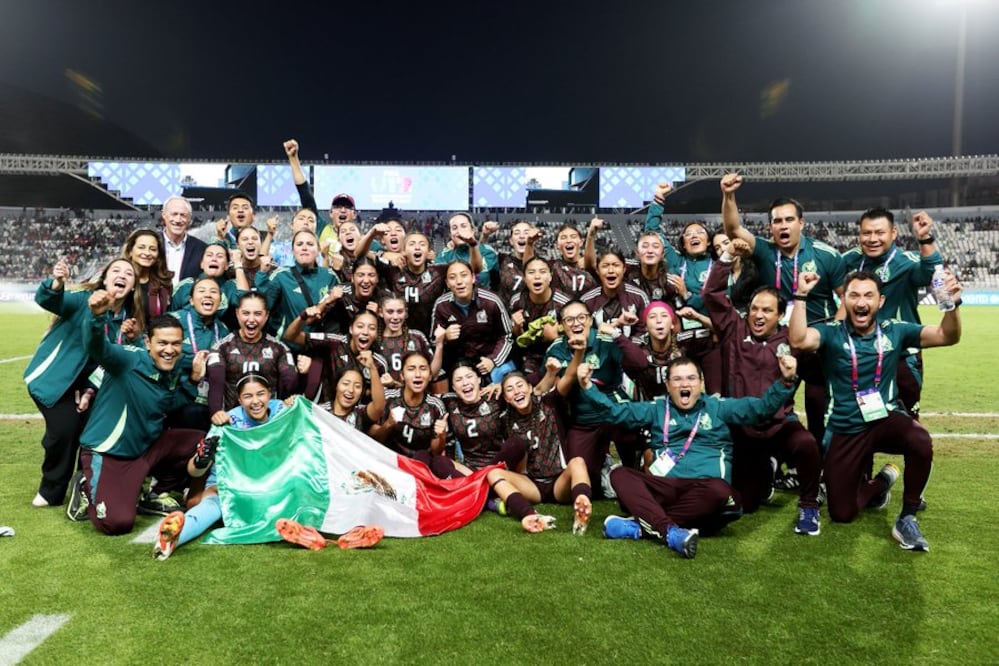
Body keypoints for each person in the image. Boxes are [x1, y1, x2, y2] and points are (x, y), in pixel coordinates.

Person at [788, 269, 962, 551]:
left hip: (884, 418)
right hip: (845, 426)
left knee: (919, 439)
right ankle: (881, 482)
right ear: (844, 300)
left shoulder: (895, 330)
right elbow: (798, 340)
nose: (861, 302)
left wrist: (951, 305)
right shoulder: (831, 333)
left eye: (868, 295)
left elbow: (946, 335)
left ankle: (907, 516)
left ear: (880, 301)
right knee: (842, 514)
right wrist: (800, 295)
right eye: (853, 295)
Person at [582, 355, 800, 559]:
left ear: (701, 383)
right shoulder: (657, 408)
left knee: (721, 491)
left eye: (690, 378)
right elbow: (616, 413)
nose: (684, 384)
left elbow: (760, 409)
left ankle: (641, 525)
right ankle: (670, 531)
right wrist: (588, 387)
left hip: (706, 493)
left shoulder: (719, 407)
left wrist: (786, 380)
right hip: (666, 488)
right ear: (667, 386)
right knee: (619, 474)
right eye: (677, 379)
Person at [704, 239, 822, 534]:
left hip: (779, 424)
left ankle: (809, 505)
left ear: (780, 315)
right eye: (755, 309)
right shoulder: (734, 328)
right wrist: (727, 256)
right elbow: (712, 292)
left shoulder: (791, 341)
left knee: (807, 445)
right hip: (742, 428)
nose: (758, 315)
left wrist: (803, 295)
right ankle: (766, 472)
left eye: (767, 311)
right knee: (748, 503)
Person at [721, 173, 846, 445]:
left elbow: (845, 298)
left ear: (801, 223)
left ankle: (816, 462)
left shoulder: (826, 255)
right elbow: (733, 230)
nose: (783, 225)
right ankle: (777, 464)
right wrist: (728, 195)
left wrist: (833, 334)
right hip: (779, 344)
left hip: (815, 344)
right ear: (770, 227)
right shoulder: (765, 251)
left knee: (816, 404)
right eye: (777, 221)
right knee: (774, 402)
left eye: (789, 219)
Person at [67, 310, 206, 535]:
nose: (169, 350)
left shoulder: (171, 368)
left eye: (176, 343)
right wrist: (95, 316)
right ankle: (85, 484)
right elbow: (96, 346)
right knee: (116, 523)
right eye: (162, 343)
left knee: (202, 441)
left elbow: (168, 404)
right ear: (148, 342)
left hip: (143, 450)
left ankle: (155, 494)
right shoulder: (127, 360)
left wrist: (192, 381)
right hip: (109, 453)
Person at [24, 257, 139, 508]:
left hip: (91, 385)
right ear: (105, 278)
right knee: (65, 431)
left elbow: (112, 360)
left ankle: (84, 488)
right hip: (54, 380)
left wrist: (89, 390)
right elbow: (48, 300)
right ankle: (51, 489)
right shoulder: (82, 300)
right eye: (116, 271)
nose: (122, 275)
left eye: (128, 273)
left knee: (91, 432)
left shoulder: (128, 321)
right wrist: (56, 282)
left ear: (133, 285)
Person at [153, 374, 294, 560]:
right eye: (248, 396)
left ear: (270, 394)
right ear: (239, 400)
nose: (256, 401)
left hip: (267, 484)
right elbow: (194, 470)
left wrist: (297, 404)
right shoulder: (227, 421)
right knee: (212, 507)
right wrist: (201, 459)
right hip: (228, 486)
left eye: (261, 394)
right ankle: (173, 535)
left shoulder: (282, 411)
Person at [841, 209, 943, 418]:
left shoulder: (907, 261)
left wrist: (924, 237)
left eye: (879, 233)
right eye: (866, 233)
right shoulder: (849, 260)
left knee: (908, 421)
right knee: (857, 420)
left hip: (902, 355)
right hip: (859, 353)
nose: (872, 239)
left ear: (893, 233)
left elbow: (931, 272)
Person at [543, 300, 646, 485]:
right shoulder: (556, 349)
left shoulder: (604, 340)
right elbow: (557, 394)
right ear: (561, 325)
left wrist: (616, 334)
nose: (576, 323)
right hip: (583, 419)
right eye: (569, 319)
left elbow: (641, 364)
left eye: (581, 317)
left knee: (629, 432)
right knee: (584, 474)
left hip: (612, 410)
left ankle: (633, 467)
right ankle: (604, 465)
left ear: (590, 320)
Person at [484, 370, 594, 535]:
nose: (516, 391)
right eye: (510, 389)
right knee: (493, 473)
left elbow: (568, 376)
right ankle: (529, 515)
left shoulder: (549, 404)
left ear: (530, 388)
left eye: (520, 385)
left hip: (559, 481)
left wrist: (577, 353)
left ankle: (582, 502)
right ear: (506, 398)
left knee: (577, 462)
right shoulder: (505, 419)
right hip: (532, 485)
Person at [206, 291, 300, 416]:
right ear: (237, 314)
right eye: (246, 313)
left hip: (270, 420)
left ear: (266, 316)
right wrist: (217, 414)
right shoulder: (221, 348)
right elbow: (215, 386)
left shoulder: (280, 349)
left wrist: (298, 374)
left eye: (258, 314)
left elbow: (291, 385)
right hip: (234, 421)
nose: (251, 319)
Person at [430, 260, 514, 384]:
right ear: (447, 283)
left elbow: (507, 335)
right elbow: (432, 339)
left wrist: (493, 360)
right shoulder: (441, 305)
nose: (459, 281)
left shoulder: (492, 301)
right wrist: (445, 337)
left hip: (490, 357)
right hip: (458, 363)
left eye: (464, 275)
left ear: (473, 278)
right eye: (453, 278)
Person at [258, 229, 338, 349]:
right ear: (292, 250)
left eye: (310, 244)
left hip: (318, 350)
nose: (304, 248)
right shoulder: (281, 276)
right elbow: (263, 307)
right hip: (286, 350)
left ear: (318, 250)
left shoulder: (330, 276)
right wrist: (262, 273)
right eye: (299, 244)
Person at [508, 256, 570, 380]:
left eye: (542, 272)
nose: (537, 276)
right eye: (531, 272)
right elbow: (517, 339)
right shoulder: (517, 301)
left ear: (551, 276)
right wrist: (516, 327)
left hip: (559, 353)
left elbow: (574, 336)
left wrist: (555, 338)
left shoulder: (564, 303)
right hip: (529, 357)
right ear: (524, 278)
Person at [380, 231, 448, 337]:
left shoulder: (439, 271)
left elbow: (471, 269)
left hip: (431, 336)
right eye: (412, 244)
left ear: (429, 251)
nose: (417, 247)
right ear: (404, 251)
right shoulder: (393, 271)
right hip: (400, 337)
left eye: (422, 244)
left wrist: (472, 245)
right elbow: (360, 253)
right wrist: (383, 254)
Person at [170, 241, 236, 314]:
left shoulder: (231, 286)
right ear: (201, 264)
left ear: (227, 265)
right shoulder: (185, 286)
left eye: (220, 256)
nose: (214, 259)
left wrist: (238, 263)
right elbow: (170, 316)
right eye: (209, 255)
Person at [122, 228, 174, 322]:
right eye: (141, 247)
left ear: (158, 255)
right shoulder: (117, 278)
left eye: (153, 249)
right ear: (130, 251)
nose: (147, 253)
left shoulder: (163, 282)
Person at [434, 213, 492, 287]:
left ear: (473, 230)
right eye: (454, 228)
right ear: (450, 234)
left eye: (463, 226)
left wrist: (473, 244)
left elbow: (475, 271)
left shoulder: (488, 252)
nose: (459, 231)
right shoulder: (444, 256)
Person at [160, 195, 207, 285]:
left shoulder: (201, 248)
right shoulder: (151, 244)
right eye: (174, 214)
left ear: (189, 218)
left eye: (183, 215)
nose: (178, 220)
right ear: (164, 215)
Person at [549, 223, 596, 300]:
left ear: (581, 242)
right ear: (557, 245)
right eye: (563, 237)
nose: (568, 240)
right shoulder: (553, 266)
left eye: (573, 237)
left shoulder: (591, 265)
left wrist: (591, 235)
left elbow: (591, 263)